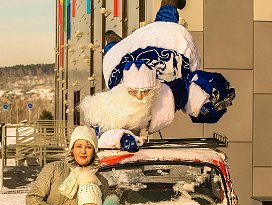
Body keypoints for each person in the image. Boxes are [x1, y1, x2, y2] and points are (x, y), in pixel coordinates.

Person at [80, 0, 235, 148]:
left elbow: (193, 87)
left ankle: (167, 5)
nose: (140, 97)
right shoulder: (114, 104)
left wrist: (210, 101)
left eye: (145, 92)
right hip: (121, 56)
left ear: (154, 89)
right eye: (134, 92)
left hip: (154, 48)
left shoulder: (168, 91)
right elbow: (103, 131)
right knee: (115, 52)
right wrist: (120, 137)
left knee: (164, 29)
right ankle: (112, 41)